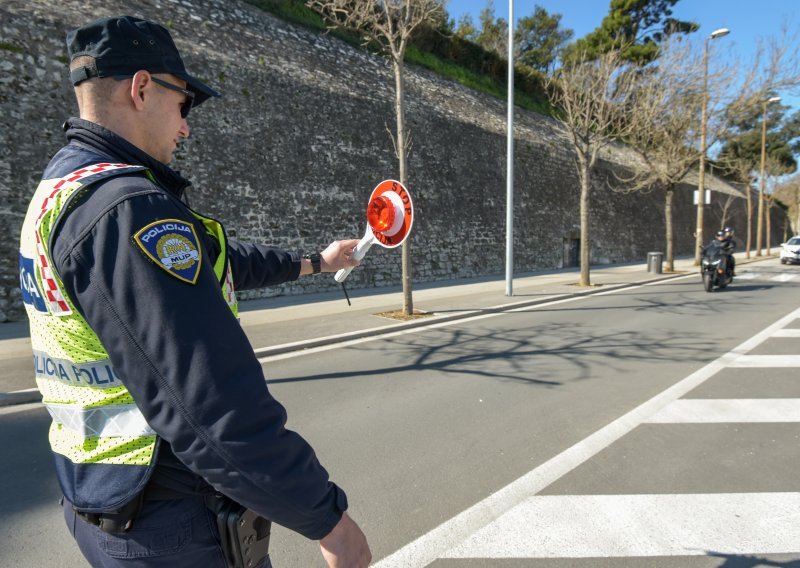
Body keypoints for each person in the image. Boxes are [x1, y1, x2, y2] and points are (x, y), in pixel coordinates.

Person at [18, 15, 371, 568]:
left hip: (96, 495)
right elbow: (208, 401)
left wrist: (316, 263)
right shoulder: (128, 211)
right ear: (141, 89)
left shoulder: (61, 189)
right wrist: (328, 519)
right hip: (167, 523)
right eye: (183, 106)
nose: (185, 128)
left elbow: (212, 264)